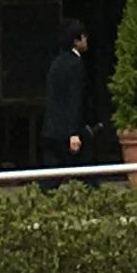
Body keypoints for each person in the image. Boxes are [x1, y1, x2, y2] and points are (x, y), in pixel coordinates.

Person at [40, 15, 91, 178]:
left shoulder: (56, 62)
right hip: (67, 133)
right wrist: (74, 132)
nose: (86, 40)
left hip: (51, 128)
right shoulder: (75, 64)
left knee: (53, 178)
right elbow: (74, 99)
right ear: (76, 40)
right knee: (84, 176)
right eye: (83, 36)